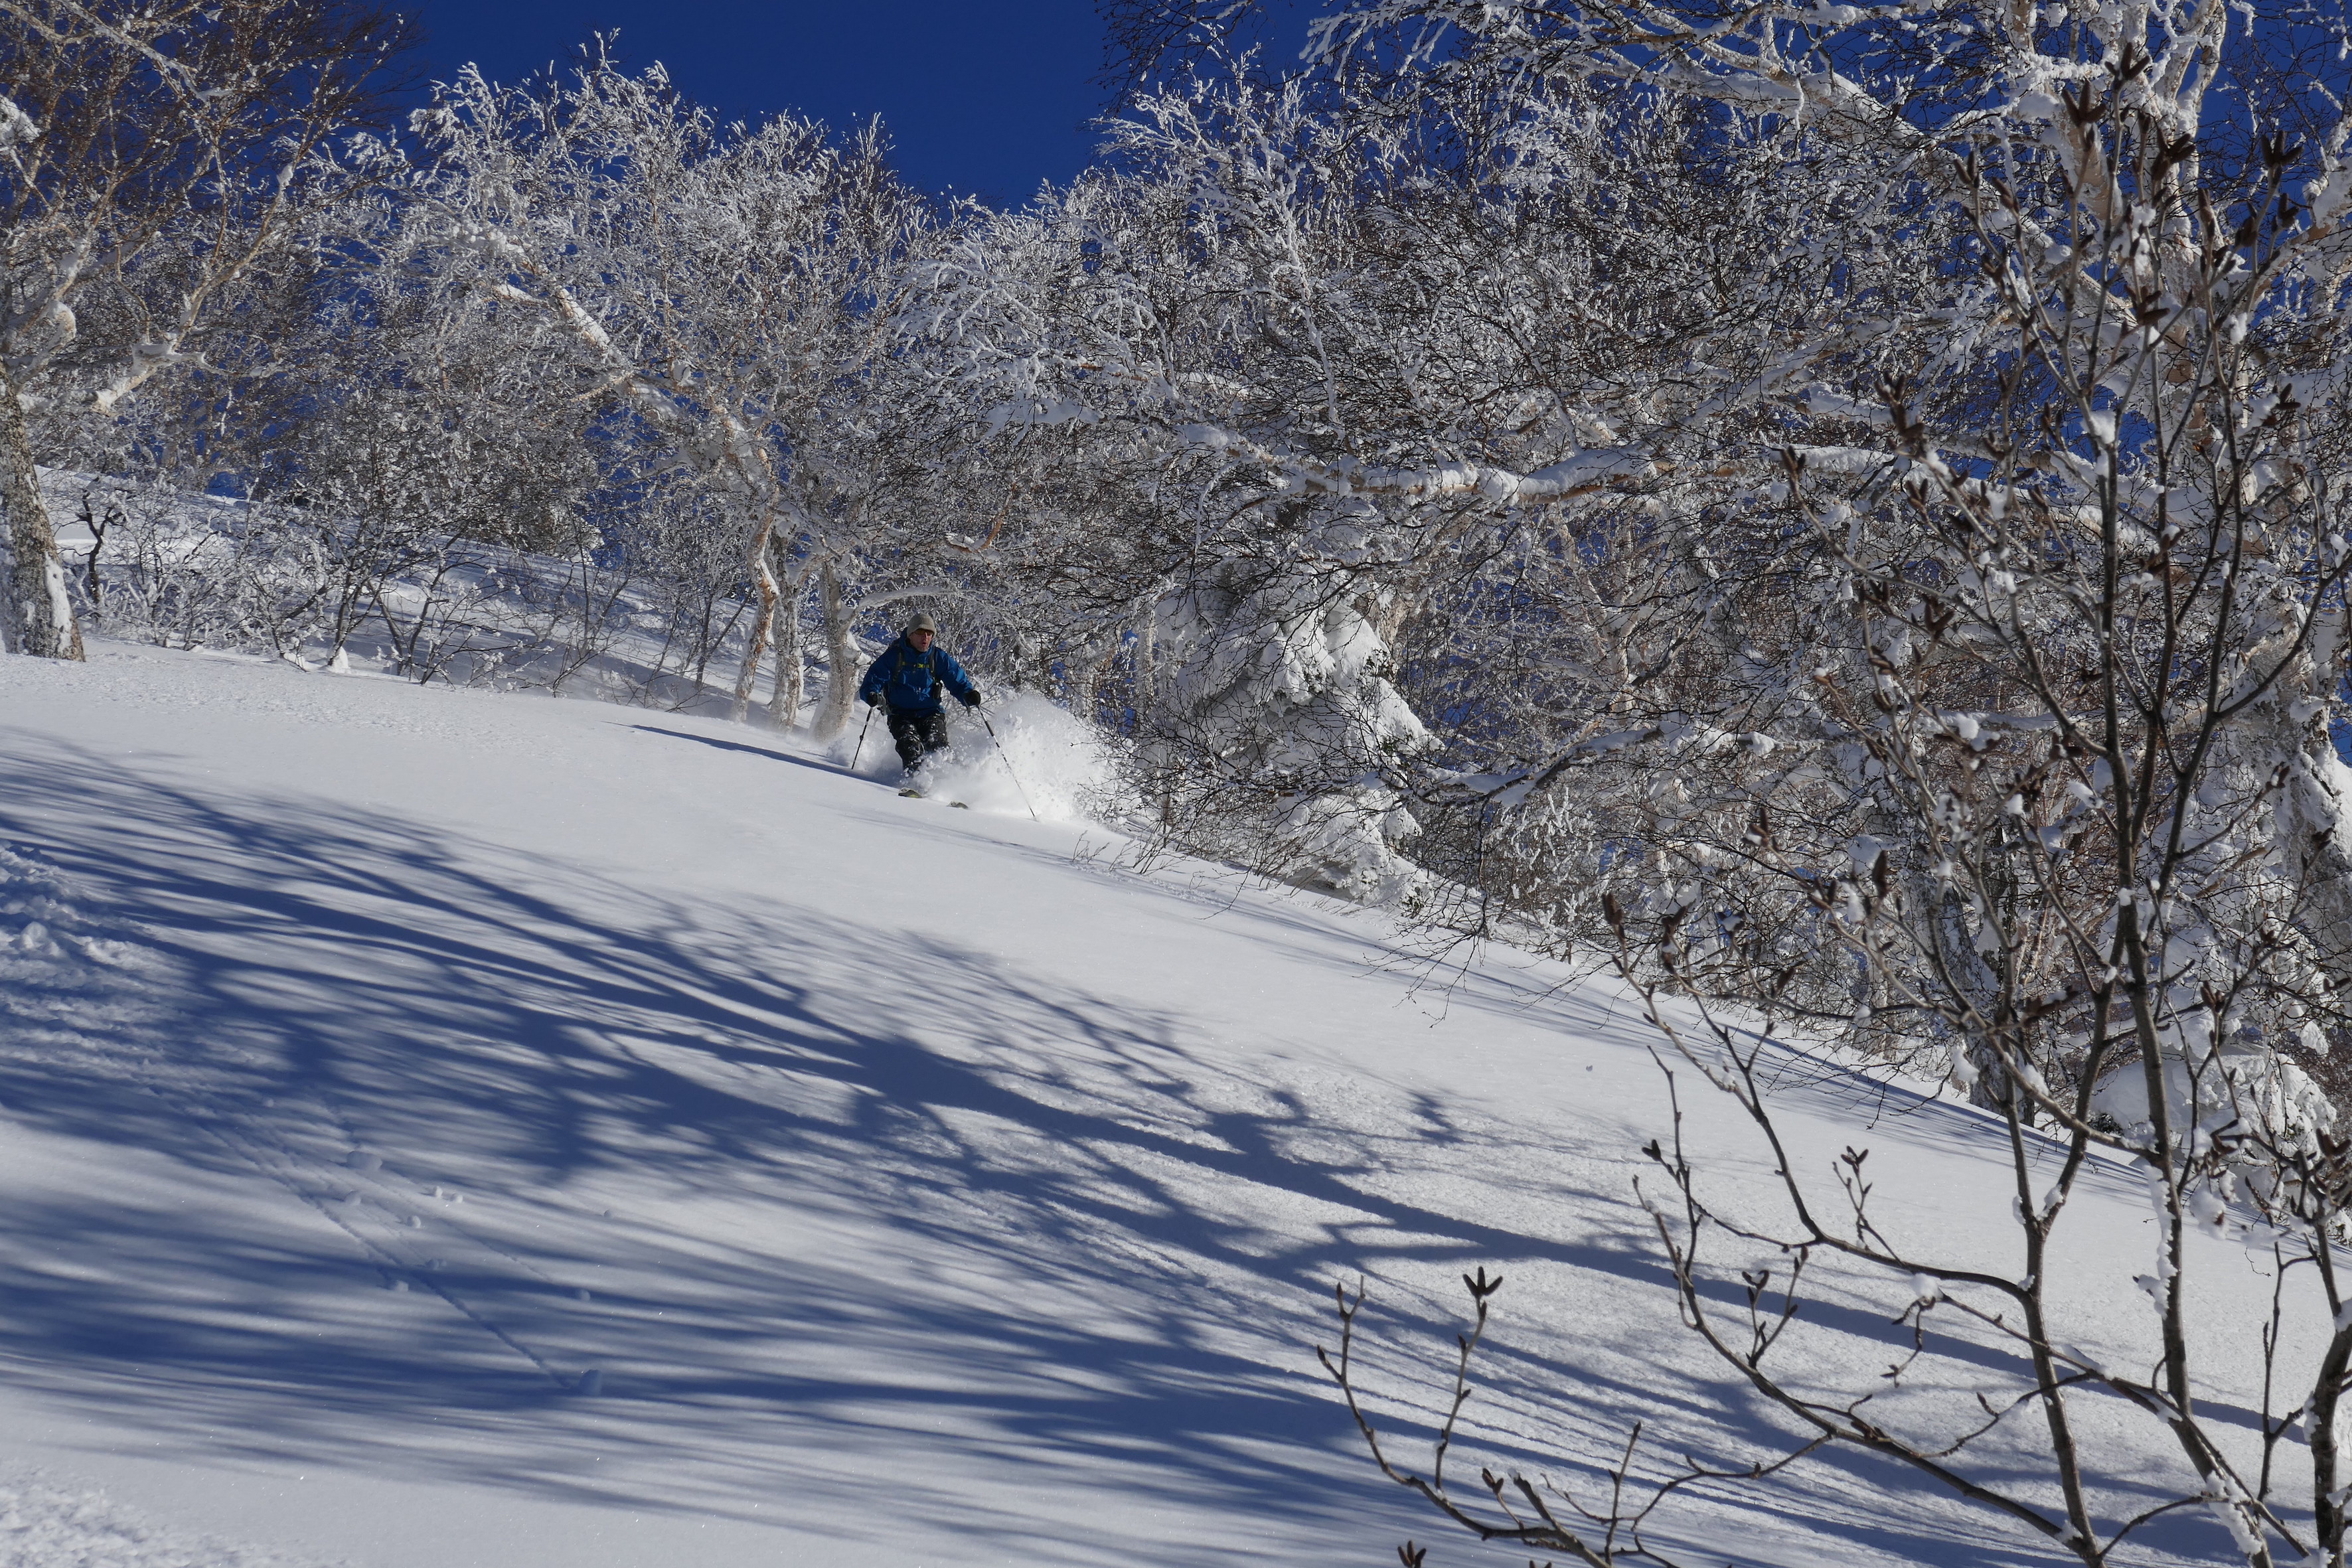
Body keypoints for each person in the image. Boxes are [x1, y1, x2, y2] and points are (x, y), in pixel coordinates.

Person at [856, 613, 981, 777]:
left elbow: (957, 680)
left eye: (929, 634)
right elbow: (873, 680)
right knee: (909, 745)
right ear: (911, 635)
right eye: (921, 633)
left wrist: (968, 694)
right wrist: (871, 694)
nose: (926, 638)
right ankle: (915, 784)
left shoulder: (937, 658)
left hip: (931, 712)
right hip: (900, 714)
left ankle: (951, 782)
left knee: (938, 746)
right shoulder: (895, 656)